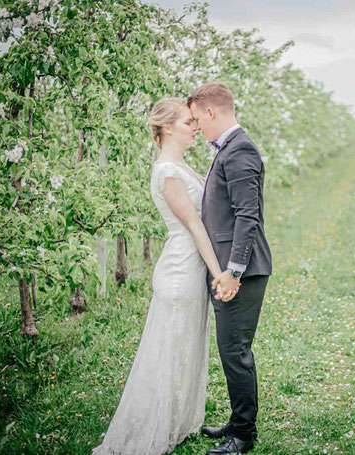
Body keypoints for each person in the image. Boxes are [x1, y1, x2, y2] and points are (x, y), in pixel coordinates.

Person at [92, 97, 238, 455]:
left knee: (187, 345)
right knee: (171, 347)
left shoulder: (181, 166)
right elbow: (194, 225)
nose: (195, 126)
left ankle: (177, 420)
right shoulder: (168, 173)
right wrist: (221, 272)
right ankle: (151, 426)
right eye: (189, 122)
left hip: (191, 266)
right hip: (181, 269)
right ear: (168, 127)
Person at [188, 82, 272, 455]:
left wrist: (233, 273)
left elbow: (247, 216)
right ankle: (238, 422)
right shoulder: (230, 149)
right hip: (229, 270)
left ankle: (243, 437)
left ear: (211, 112)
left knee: (236, 350)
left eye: (196, 119)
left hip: (241, 272)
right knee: (230, 349)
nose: (196, 128)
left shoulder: (240, 151)